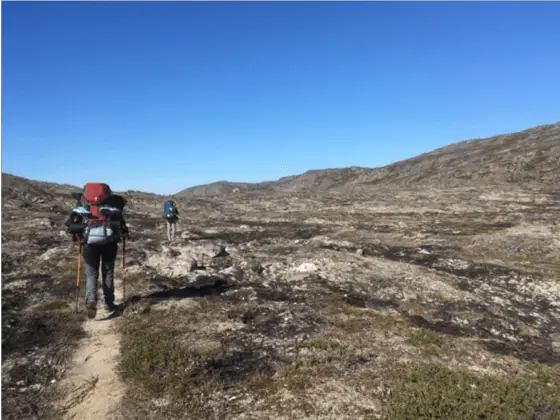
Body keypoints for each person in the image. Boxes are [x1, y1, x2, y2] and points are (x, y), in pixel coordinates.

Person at [66, 183, 129, 319]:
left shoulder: (83, 209)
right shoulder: (112, 209)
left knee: (91, 274)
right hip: (109, 245)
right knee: (108, 272)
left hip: (89, 246)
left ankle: (91, 300)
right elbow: (123, 228)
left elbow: (70, 225)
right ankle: (109, 303)